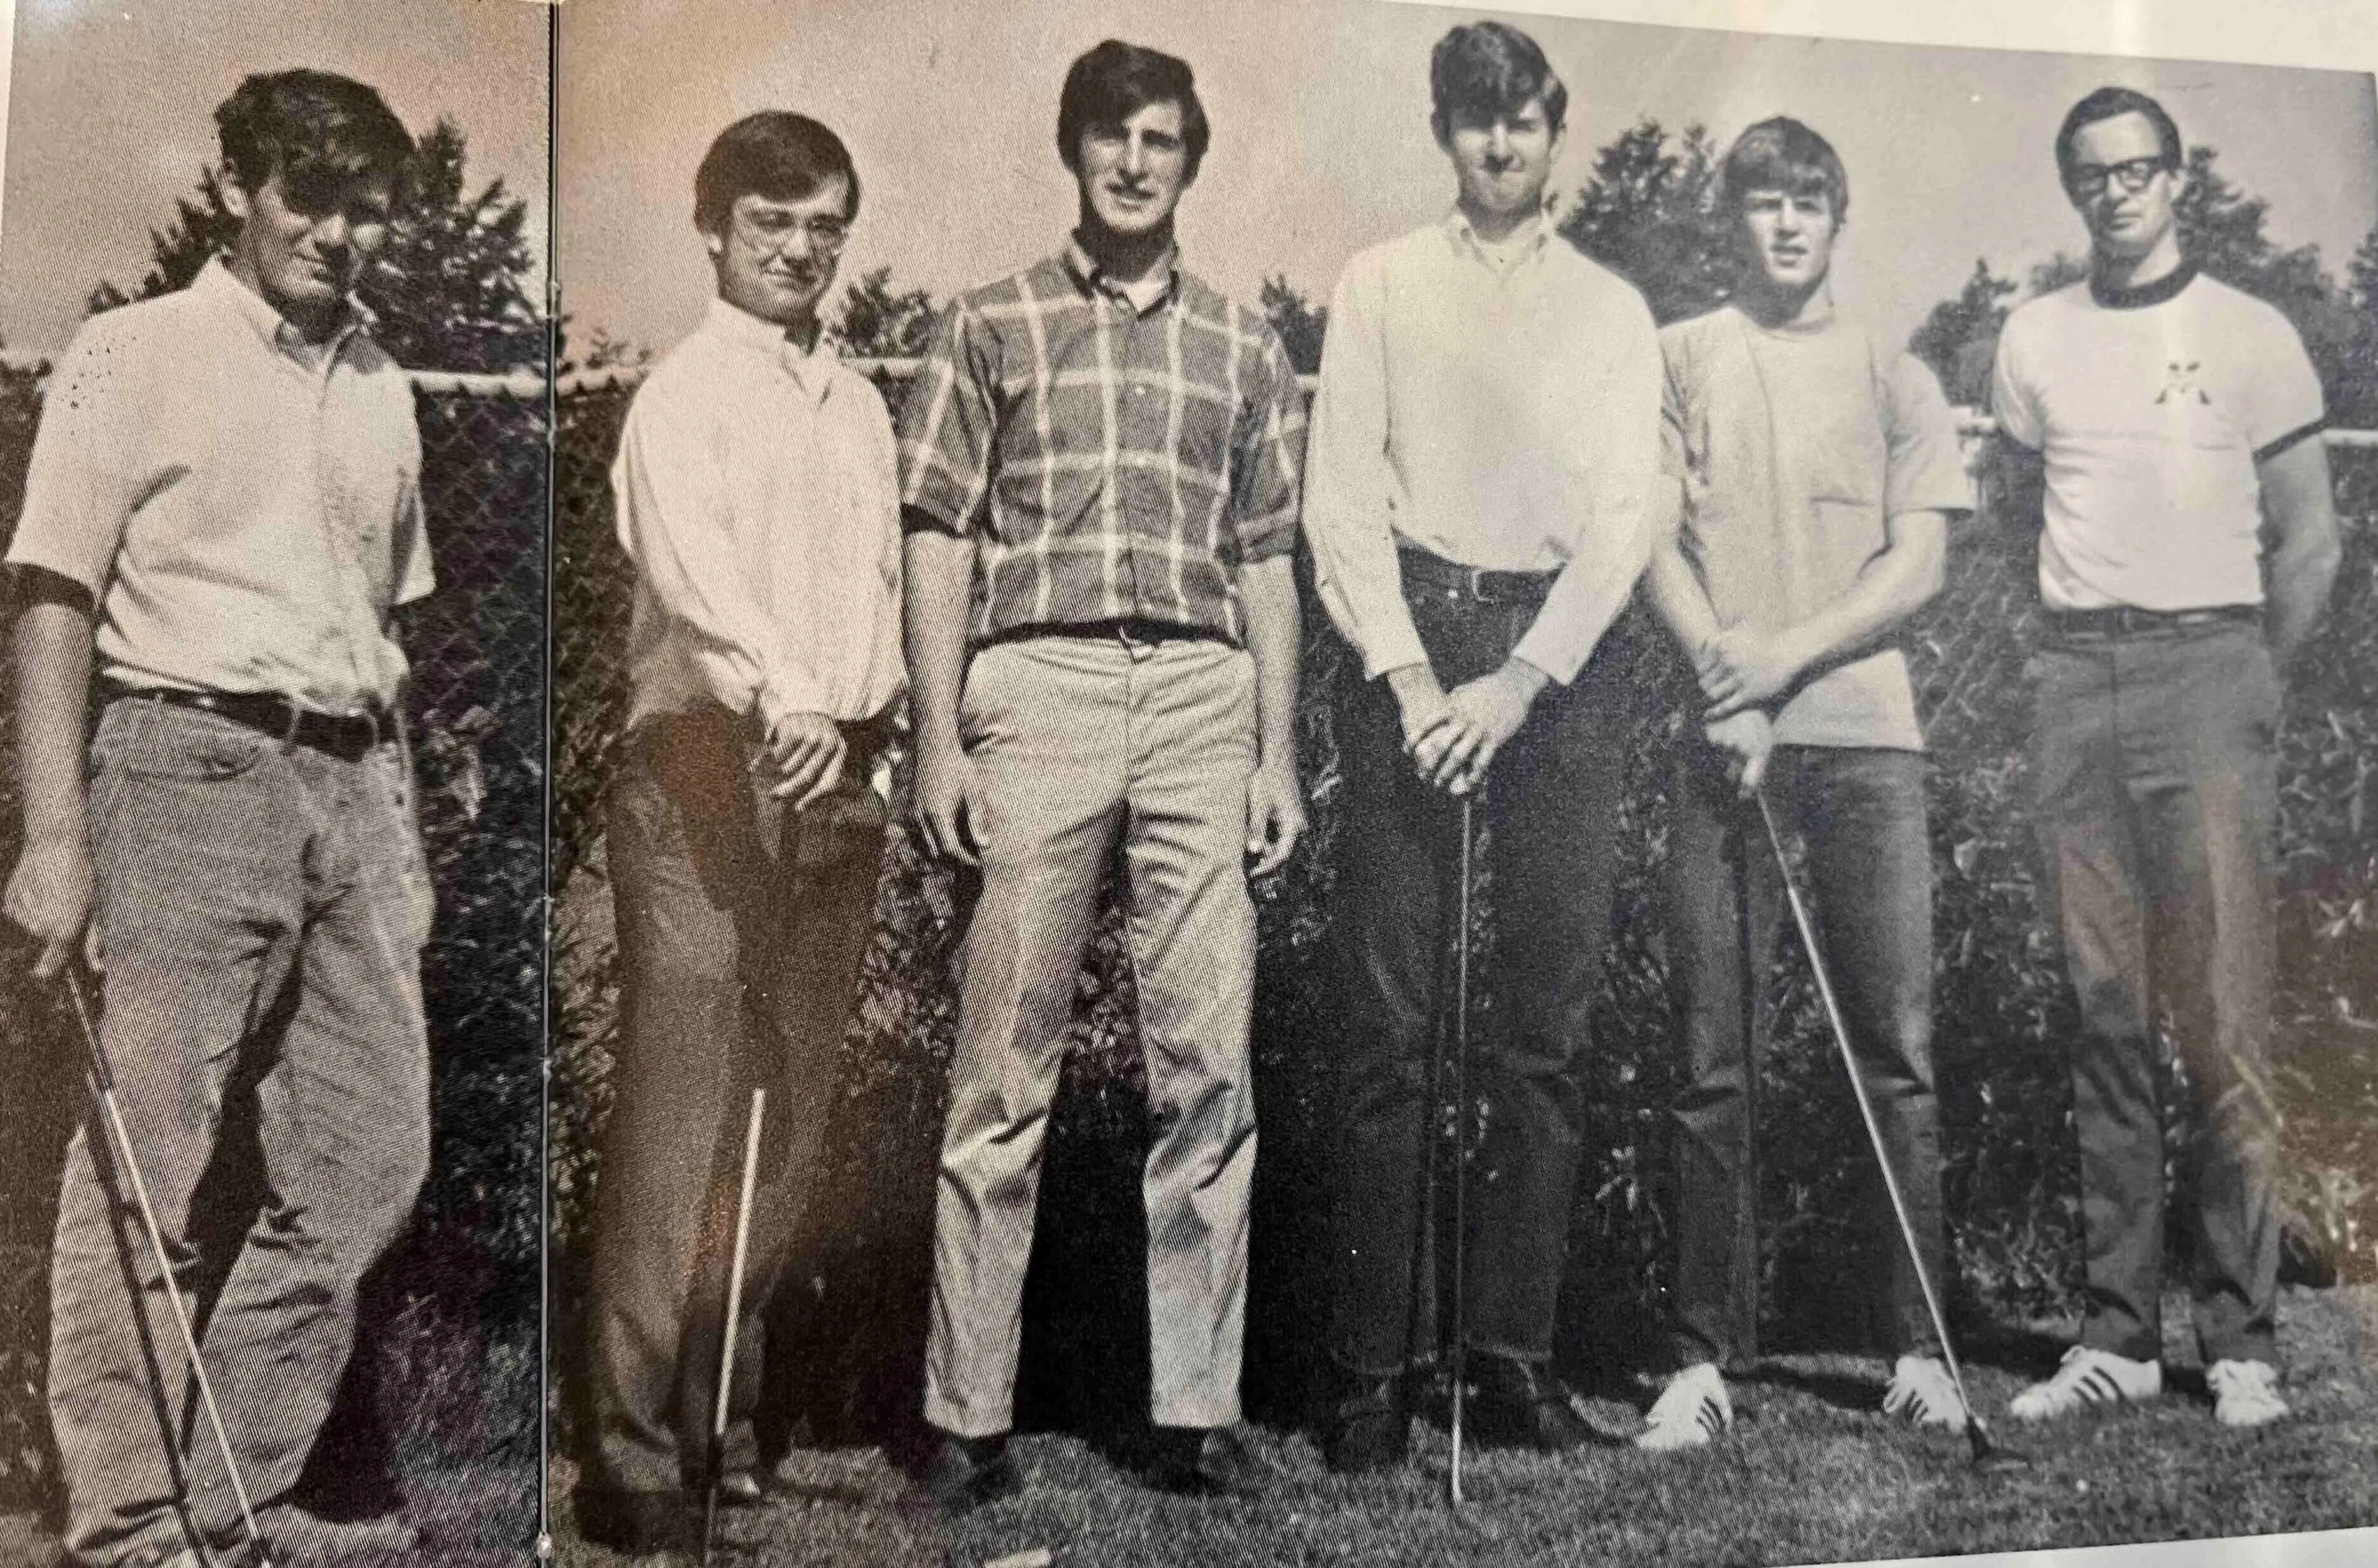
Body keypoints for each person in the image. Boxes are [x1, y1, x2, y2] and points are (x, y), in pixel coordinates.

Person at [2, 70, 429, 1568]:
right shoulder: (135, 352)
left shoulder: (382, 383)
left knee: (373, 1158)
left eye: (366, 202)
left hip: (353, 794)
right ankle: (125, 1529)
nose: (337, 229)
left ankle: (220, 1497)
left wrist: (404, 831)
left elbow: (385, 631)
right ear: (240, 186)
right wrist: (55, 841)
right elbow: (52, 596)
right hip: (184, 772)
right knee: (150, 1167)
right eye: (307, 194)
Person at [899, 38, 1307, 1512]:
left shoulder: (1243, 341)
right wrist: (938, 733)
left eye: (1161, 139)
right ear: (1071, 153)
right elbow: (937, 529)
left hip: (1203, 692)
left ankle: (1197, 1413)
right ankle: (966, 1416)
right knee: (1003, 1061)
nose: (1134, 162)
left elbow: (1267, 556)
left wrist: (1276, 747)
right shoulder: (987, 322)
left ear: (1192, 157)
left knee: (1208, 1060)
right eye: (1109, 138)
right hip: (1041, 683)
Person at [1300, 20, 1660, 1472]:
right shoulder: (1378, 283)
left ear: (1556, 131)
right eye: (1472, 120)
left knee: (1543, 1031)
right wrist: (1405, 678)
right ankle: (1367, 1374)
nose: (1499, 145)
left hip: (1555, 670)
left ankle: (1509, 1359)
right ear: (1442, 135)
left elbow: (1626, 518)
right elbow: (1341, 498)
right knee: (1390, 1025)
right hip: (1409, 646)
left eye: (1522, 120)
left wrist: (1515, 683)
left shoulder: (1611, 309)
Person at [573, 113, 904, 1551]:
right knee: (682, 1111)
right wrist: (786, 700)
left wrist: (864, 731)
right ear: (714, 229)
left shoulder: (859, 405)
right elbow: (699, 587)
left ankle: (726, 1421)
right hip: (709, 771)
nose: (800, 247)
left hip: (838, 780)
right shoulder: (681, 396)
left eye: (826, 221)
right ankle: (633, 1453)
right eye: (772, 221)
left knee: (789, 1121)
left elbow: (880, 600)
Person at [1990, 86, 2339, 1430]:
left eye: (2137, 171)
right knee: (2103, 1009)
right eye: (2091, 175)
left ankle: (2238, 1336)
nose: (2115, 194)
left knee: (2226, 1012)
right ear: (2071, 187)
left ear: (2176, 179)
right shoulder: (2030, 338)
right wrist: (2073, 657)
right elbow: (2023, 520)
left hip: (2211, 674)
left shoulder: (2252, 335)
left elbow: (2306, 543)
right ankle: (2118, 1333)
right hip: (2076, 676)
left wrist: (2243, 676)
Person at [1635, 117, 1972, 1450]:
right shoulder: (1679, 357)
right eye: (1762, 203)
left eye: (1807, 204)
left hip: (1864, 741)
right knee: (1710, 1056)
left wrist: (1778, 662)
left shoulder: (1896, 372)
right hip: (1720, 743)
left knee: (1894, 1048)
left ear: (1838, 219)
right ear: (1734, 220)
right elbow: (1646, 535)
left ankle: (1922, 1347)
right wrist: (1728, 678)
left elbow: (1920, 564)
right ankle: (1698, 1360)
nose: (1784, 225)